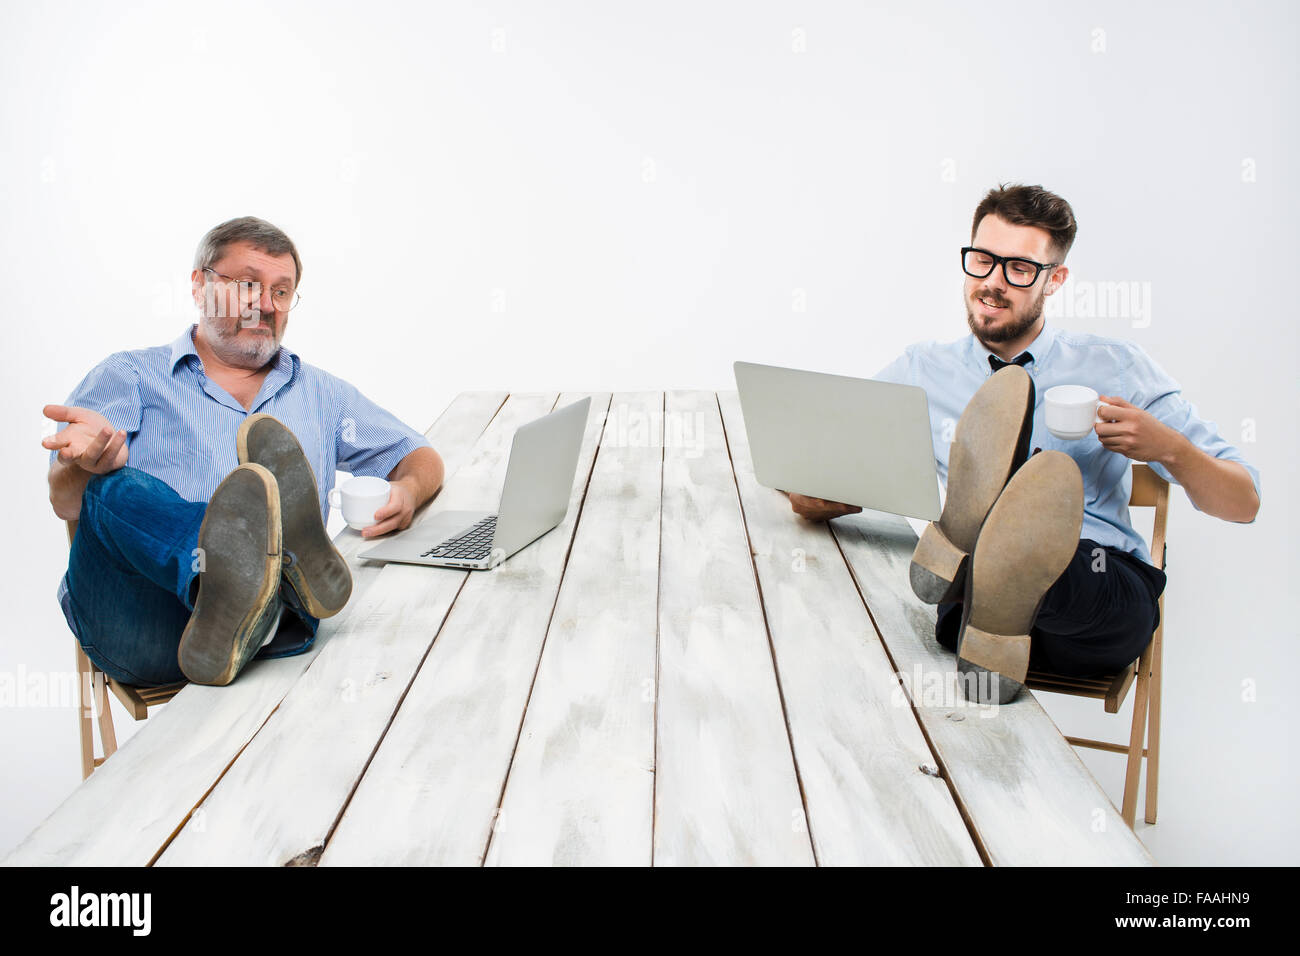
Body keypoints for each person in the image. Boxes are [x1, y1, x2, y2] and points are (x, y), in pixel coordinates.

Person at [789, 184, 1260, 702]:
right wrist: (818, 494)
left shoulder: (1115, 365)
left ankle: (989, 544)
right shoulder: (922, 369)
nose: (993, 282)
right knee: (983, 577)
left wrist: (1168, 447)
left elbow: (1243, 502)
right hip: (971, 617)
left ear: (1054, 279)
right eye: (983, 260)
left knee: (1056, 564)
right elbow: (825, 458)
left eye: (1018, 268)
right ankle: (981, 550)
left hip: (1094, 599)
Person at [43, 216, 446, 687]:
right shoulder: (129, 376)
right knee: (113, 488)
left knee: (127, 489)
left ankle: (267, 607)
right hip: (151, 625)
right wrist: (87, 466)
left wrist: (408, 491)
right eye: (248, 285)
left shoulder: (321, 394)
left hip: (281, 636)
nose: (266, 304)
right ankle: (246, 579)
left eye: (281, 291)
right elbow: (65, 502)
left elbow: (418, 454)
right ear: (199, 285)